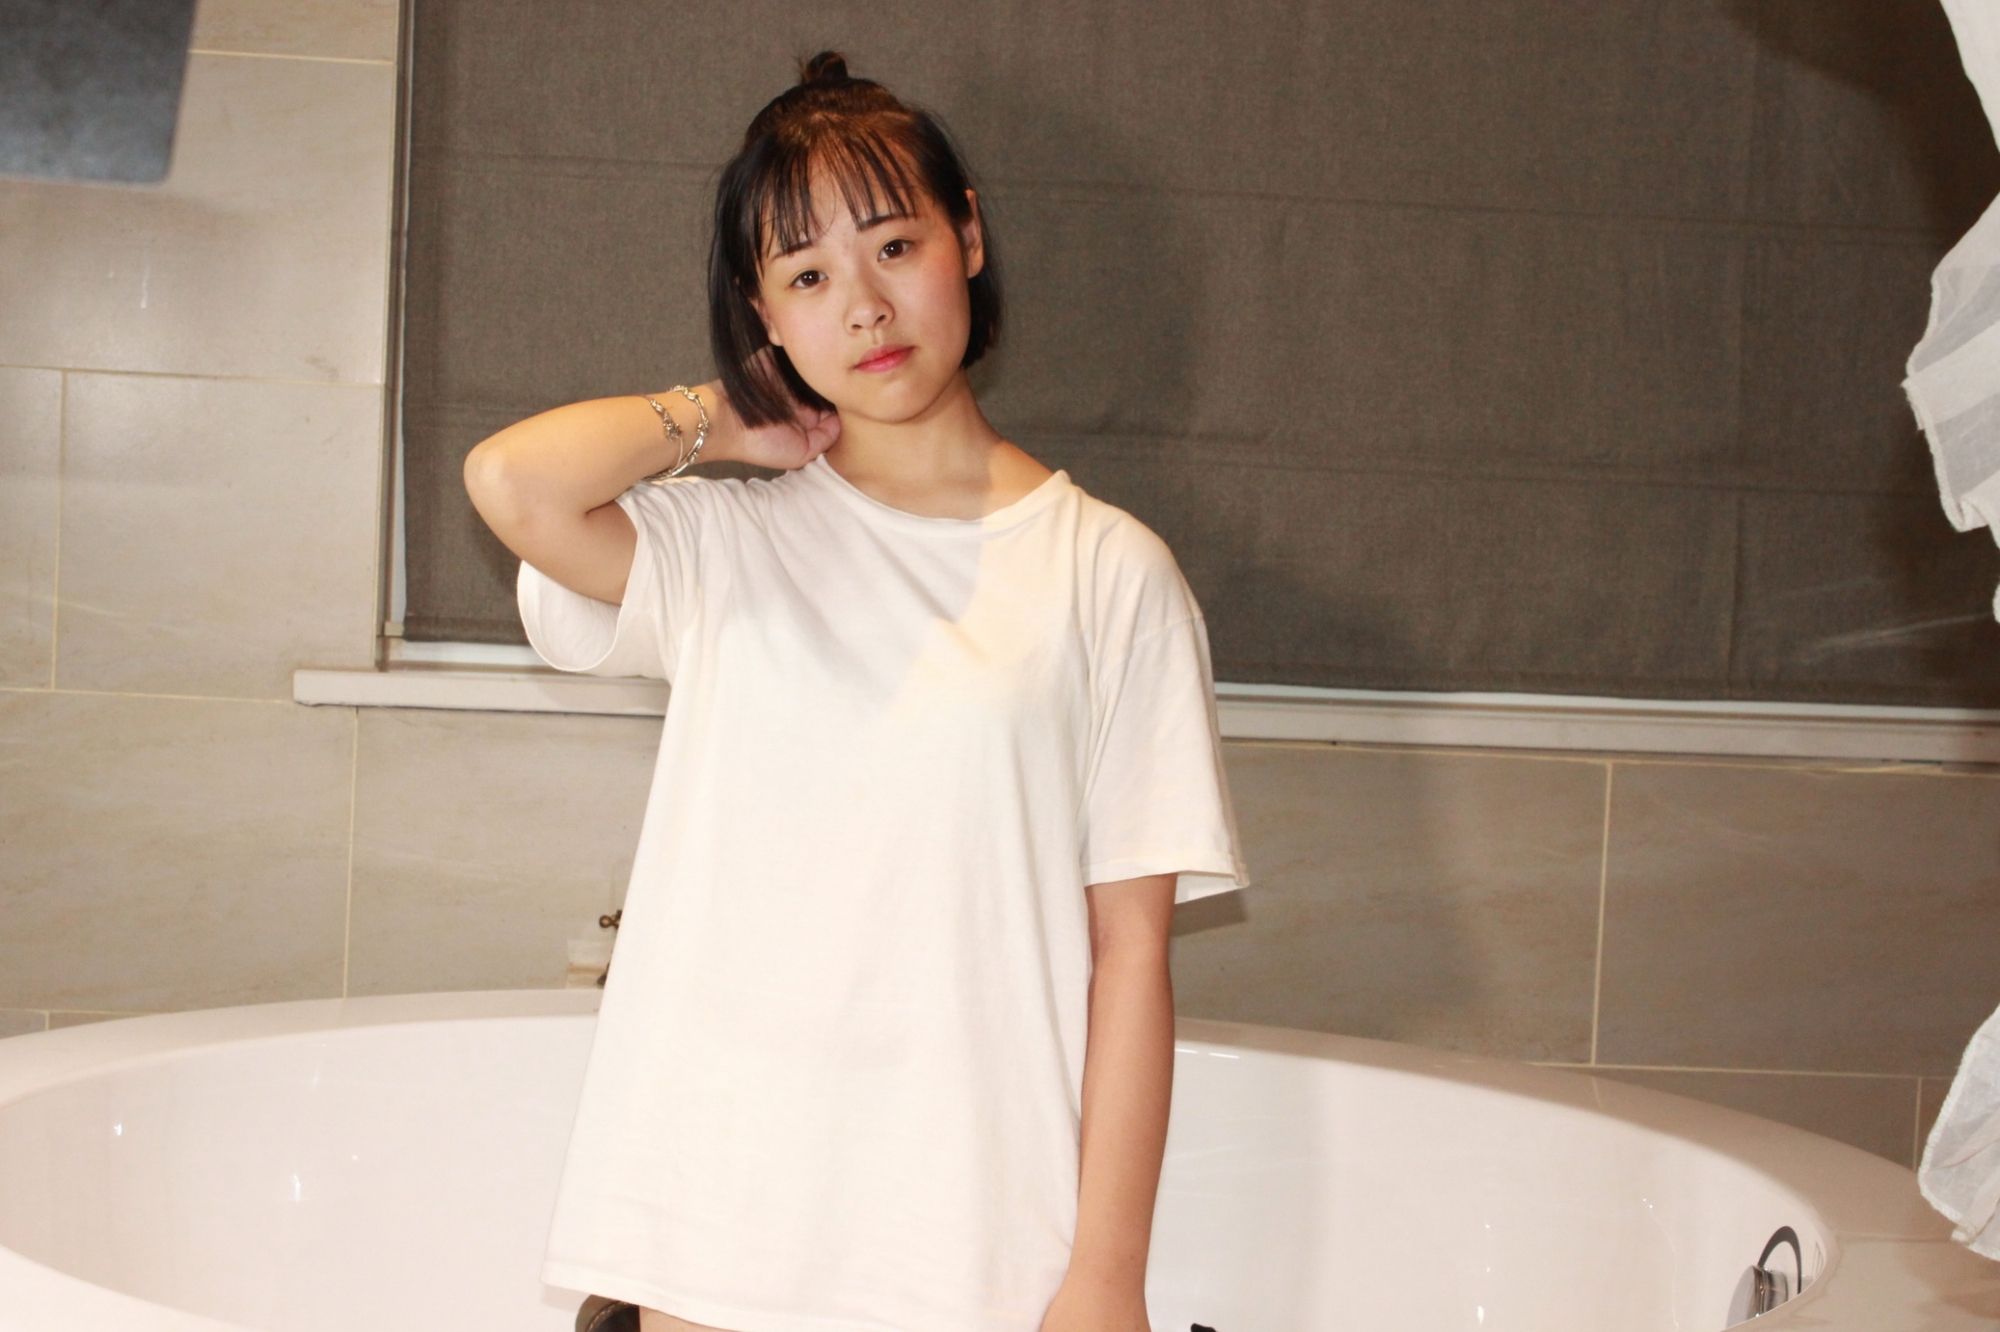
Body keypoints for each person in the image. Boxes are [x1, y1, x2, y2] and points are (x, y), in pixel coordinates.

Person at [463, 51, 1246, 1332]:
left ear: (967, 237)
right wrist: (725, 420)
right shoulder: (731, 544)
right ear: (763, 315)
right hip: (716, 1222)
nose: (866, 308)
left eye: (893, 246)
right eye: (808, 277)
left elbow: (1131, 957)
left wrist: (1105, 1280)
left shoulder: (1109, 572)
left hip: (972, 1233)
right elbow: (512, 484)